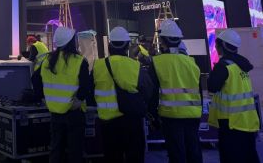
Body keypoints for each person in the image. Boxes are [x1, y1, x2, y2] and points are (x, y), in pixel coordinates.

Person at [92, 26, 153, 163]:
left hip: (107, 122)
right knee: (135, 156)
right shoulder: (135, 66)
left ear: (109, 45)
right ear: (126, 46)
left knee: (112, 157)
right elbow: (148, 90)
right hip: (132, 120)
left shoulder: (98, 66)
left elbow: (90, 91)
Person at [32, 27, 91, 163]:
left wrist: (42, 97)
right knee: (75, 150)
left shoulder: (48, 60)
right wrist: (79, 99)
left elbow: (35, 79)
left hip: (55, 113)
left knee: (56, 149)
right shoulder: (79, 61)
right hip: (74, 112)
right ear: (71, 42)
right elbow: (86, 85)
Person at [149, 19, 202, 163]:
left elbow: (152, 94)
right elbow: (198, 90)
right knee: (194, 152)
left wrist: (153, 116)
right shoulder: (191, 62)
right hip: (193, 115)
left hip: (171, 116)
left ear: (162, 40)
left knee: (177, 154)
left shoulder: (158, 62)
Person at [208, 29, 260, 163]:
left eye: (217, 44)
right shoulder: (241, 65)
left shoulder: (223, 66)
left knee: (231, 157)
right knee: (249, 156)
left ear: (224, 46)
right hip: (247, 120)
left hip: (231, 122)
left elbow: (212, 86)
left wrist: (213, 72)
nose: (216, 47)